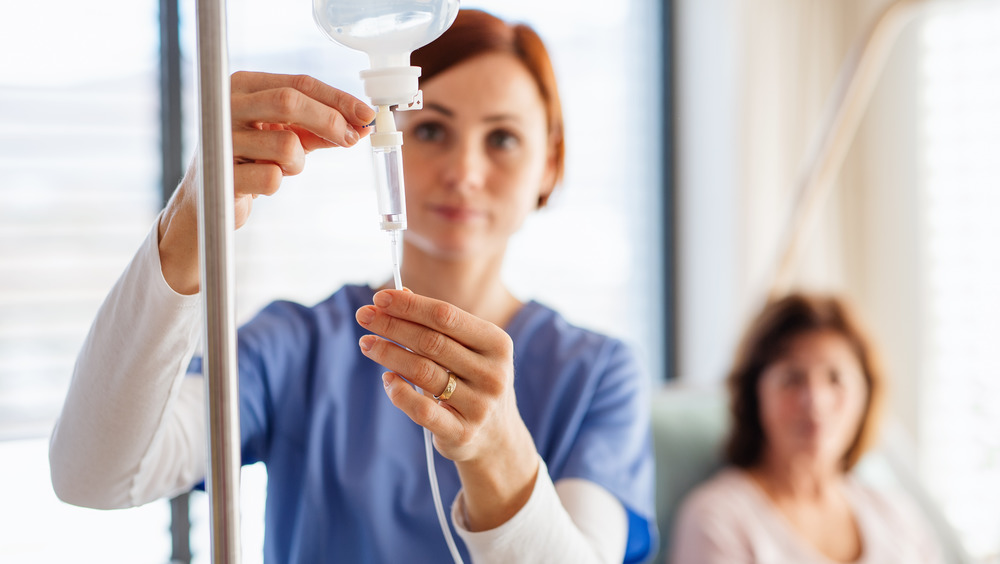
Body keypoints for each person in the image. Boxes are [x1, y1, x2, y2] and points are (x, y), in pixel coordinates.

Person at [48, 9, 656, 564]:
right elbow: (94, 473)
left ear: (550, 162)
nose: (464, 172)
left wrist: (498, 450)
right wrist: (190, 220)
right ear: (386, 132)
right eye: (431, 130)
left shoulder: (595, 376)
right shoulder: (298, 347)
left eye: (502, 139)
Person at [669, 293, 944, 564]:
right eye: (792, 379)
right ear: (754, 395)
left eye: (835, 378)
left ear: (866, 394)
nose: (815, 401)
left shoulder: (896, 516)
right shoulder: (719, 519)